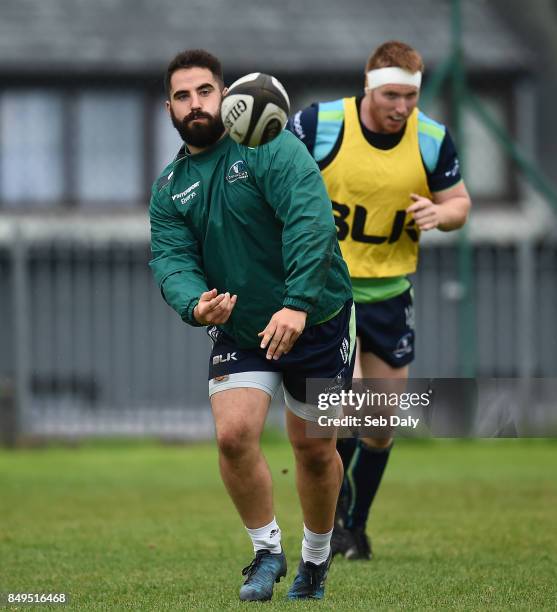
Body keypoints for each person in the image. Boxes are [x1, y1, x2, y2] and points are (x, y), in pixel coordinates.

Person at [148, 49, 356, 601]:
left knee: (313, 449)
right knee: (234, 435)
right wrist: (195, 304)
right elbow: (171, 259)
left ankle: (315, 560)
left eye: (205, 91)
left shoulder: (267, 144)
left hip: (318, 318)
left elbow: (311, 218)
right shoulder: (170, 187)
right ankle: (266, 552)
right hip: (243, 328)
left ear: (225, 94)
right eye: (183, 95)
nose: (196, 103)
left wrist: (298, 303)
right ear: (168, 106)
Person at [287, 40, 471, 560]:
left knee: (381, 422)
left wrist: (442, 215)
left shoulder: (432, 138)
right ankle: (339, 530)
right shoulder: (319, 124)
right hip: (327, 293)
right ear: (367, 86)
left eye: (410, 96)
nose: (402, 107)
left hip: (390, 291)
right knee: (339, 414)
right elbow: (274, 181)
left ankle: (356, 523)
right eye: (392, 94)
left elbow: (459, 203)